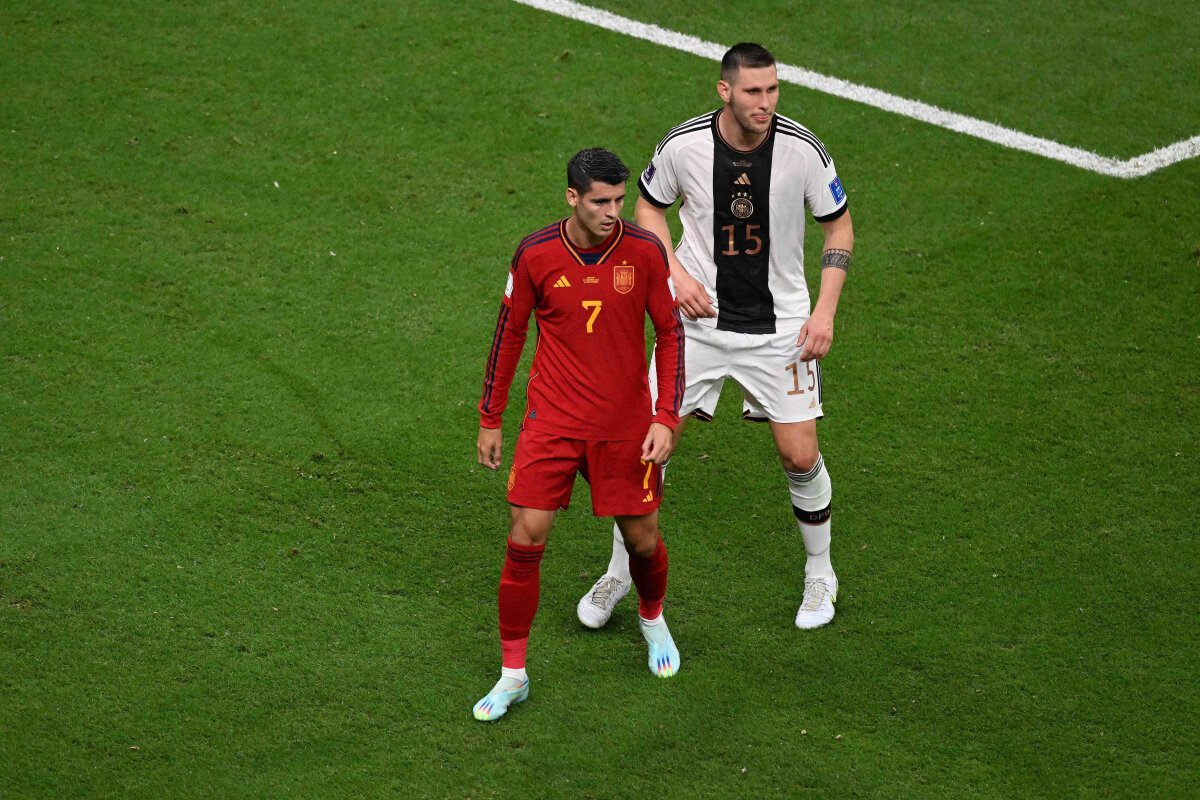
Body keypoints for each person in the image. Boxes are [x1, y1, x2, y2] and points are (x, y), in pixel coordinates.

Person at [576, 43, 855, 631]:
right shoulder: (684, 146)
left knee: (799, 455)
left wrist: (825, 312)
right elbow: (649, 209)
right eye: (753, 91)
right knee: (649, 446)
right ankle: (619, 572)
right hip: (696, 323)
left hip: (780, 326)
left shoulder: (802, 150)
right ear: (724, 90)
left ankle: (820, 572)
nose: (765, 102)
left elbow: (839, 226)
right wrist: (675, 276)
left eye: (772, 89)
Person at [472, 148, 686, 722]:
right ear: (572, 197)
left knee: (643, 541)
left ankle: (652, 619)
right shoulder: (536, 254)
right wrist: (491, 417)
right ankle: (513, 674)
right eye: (600, 202)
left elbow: (671, 333)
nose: (613, 212)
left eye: (619, 200)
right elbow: (509, 334)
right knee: (525, 537)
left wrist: (666, 416)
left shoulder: (644, 251)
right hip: (553, 422)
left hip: (624, 426)